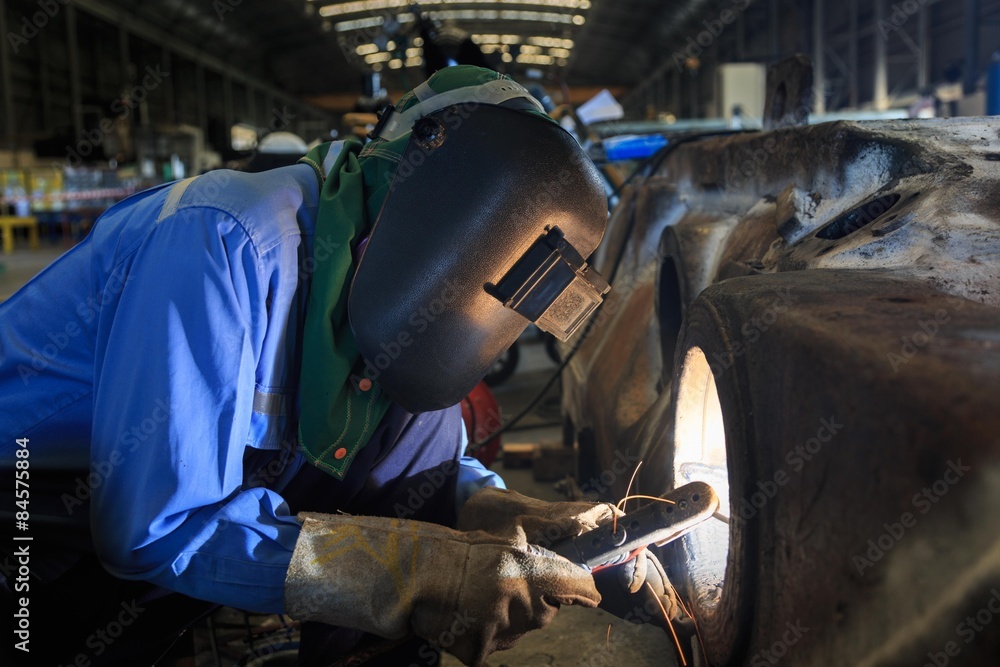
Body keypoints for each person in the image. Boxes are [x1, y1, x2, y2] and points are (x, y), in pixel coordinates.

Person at [0, 66, 680, 667]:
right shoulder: (223, 241)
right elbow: (150, 525)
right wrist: (411, 571)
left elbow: (415, 456)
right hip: (39, 498)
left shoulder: (386, 292)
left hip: (181, 487)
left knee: (420, 431)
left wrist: (493, 509)